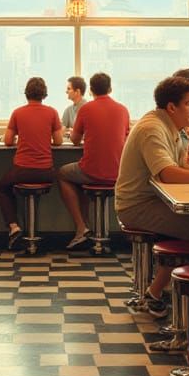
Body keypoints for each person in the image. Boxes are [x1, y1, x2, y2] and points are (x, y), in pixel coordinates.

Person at [114, 75, 189, 316]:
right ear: (171, 107)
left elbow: (180, 167)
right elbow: (168, 174)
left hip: (151, 201)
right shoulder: (153, 129)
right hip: (137, 206)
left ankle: (158, 292)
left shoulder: (169, 126)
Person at [58, 72, 130, 249]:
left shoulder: (86, 109)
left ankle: (82, 227)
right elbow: (127, 139)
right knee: (79, 177)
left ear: (90, 90)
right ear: (110, 88)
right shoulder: (123, 109)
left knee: (62, 174)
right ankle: (94, 231)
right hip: (118, 173)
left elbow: (74, 139)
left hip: (91, 172)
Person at [0, 76, 63, 248]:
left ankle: (14, 226)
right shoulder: (52, 112)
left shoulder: (18, 113)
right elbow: (58, 141)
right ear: (44, 94)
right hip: (46, 171)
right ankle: (32, 232)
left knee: (2, 187)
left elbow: (7, 141)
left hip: (22, 170)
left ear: (26, 93)